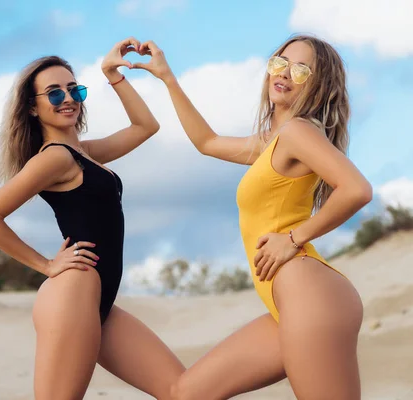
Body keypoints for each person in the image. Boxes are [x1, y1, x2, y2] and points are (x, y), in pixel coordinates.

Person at [133, 35, 372, 399]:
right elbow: (207, 142)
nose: (286, 74)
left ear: (319, 87)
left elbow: (357, 189)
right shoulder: (274, 142)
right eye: (280, 62)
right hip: (290, 303)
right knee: (187, 392)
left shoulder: (297, 132)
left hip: (311, 295)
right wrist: (168, 78)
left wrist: (293, 239)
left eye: (301, 70)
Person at [0, 37, 184, 400]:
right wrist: (47, 265)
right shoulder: (54, 158)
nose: (67, 99)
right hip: (73, 292)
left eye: (74, 90)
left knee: (182, 389)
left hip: (98, 299)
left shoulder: (83, 153)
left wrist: (111, 74)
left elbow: (146, 127)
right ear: (33, 108)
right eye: (54, 94)